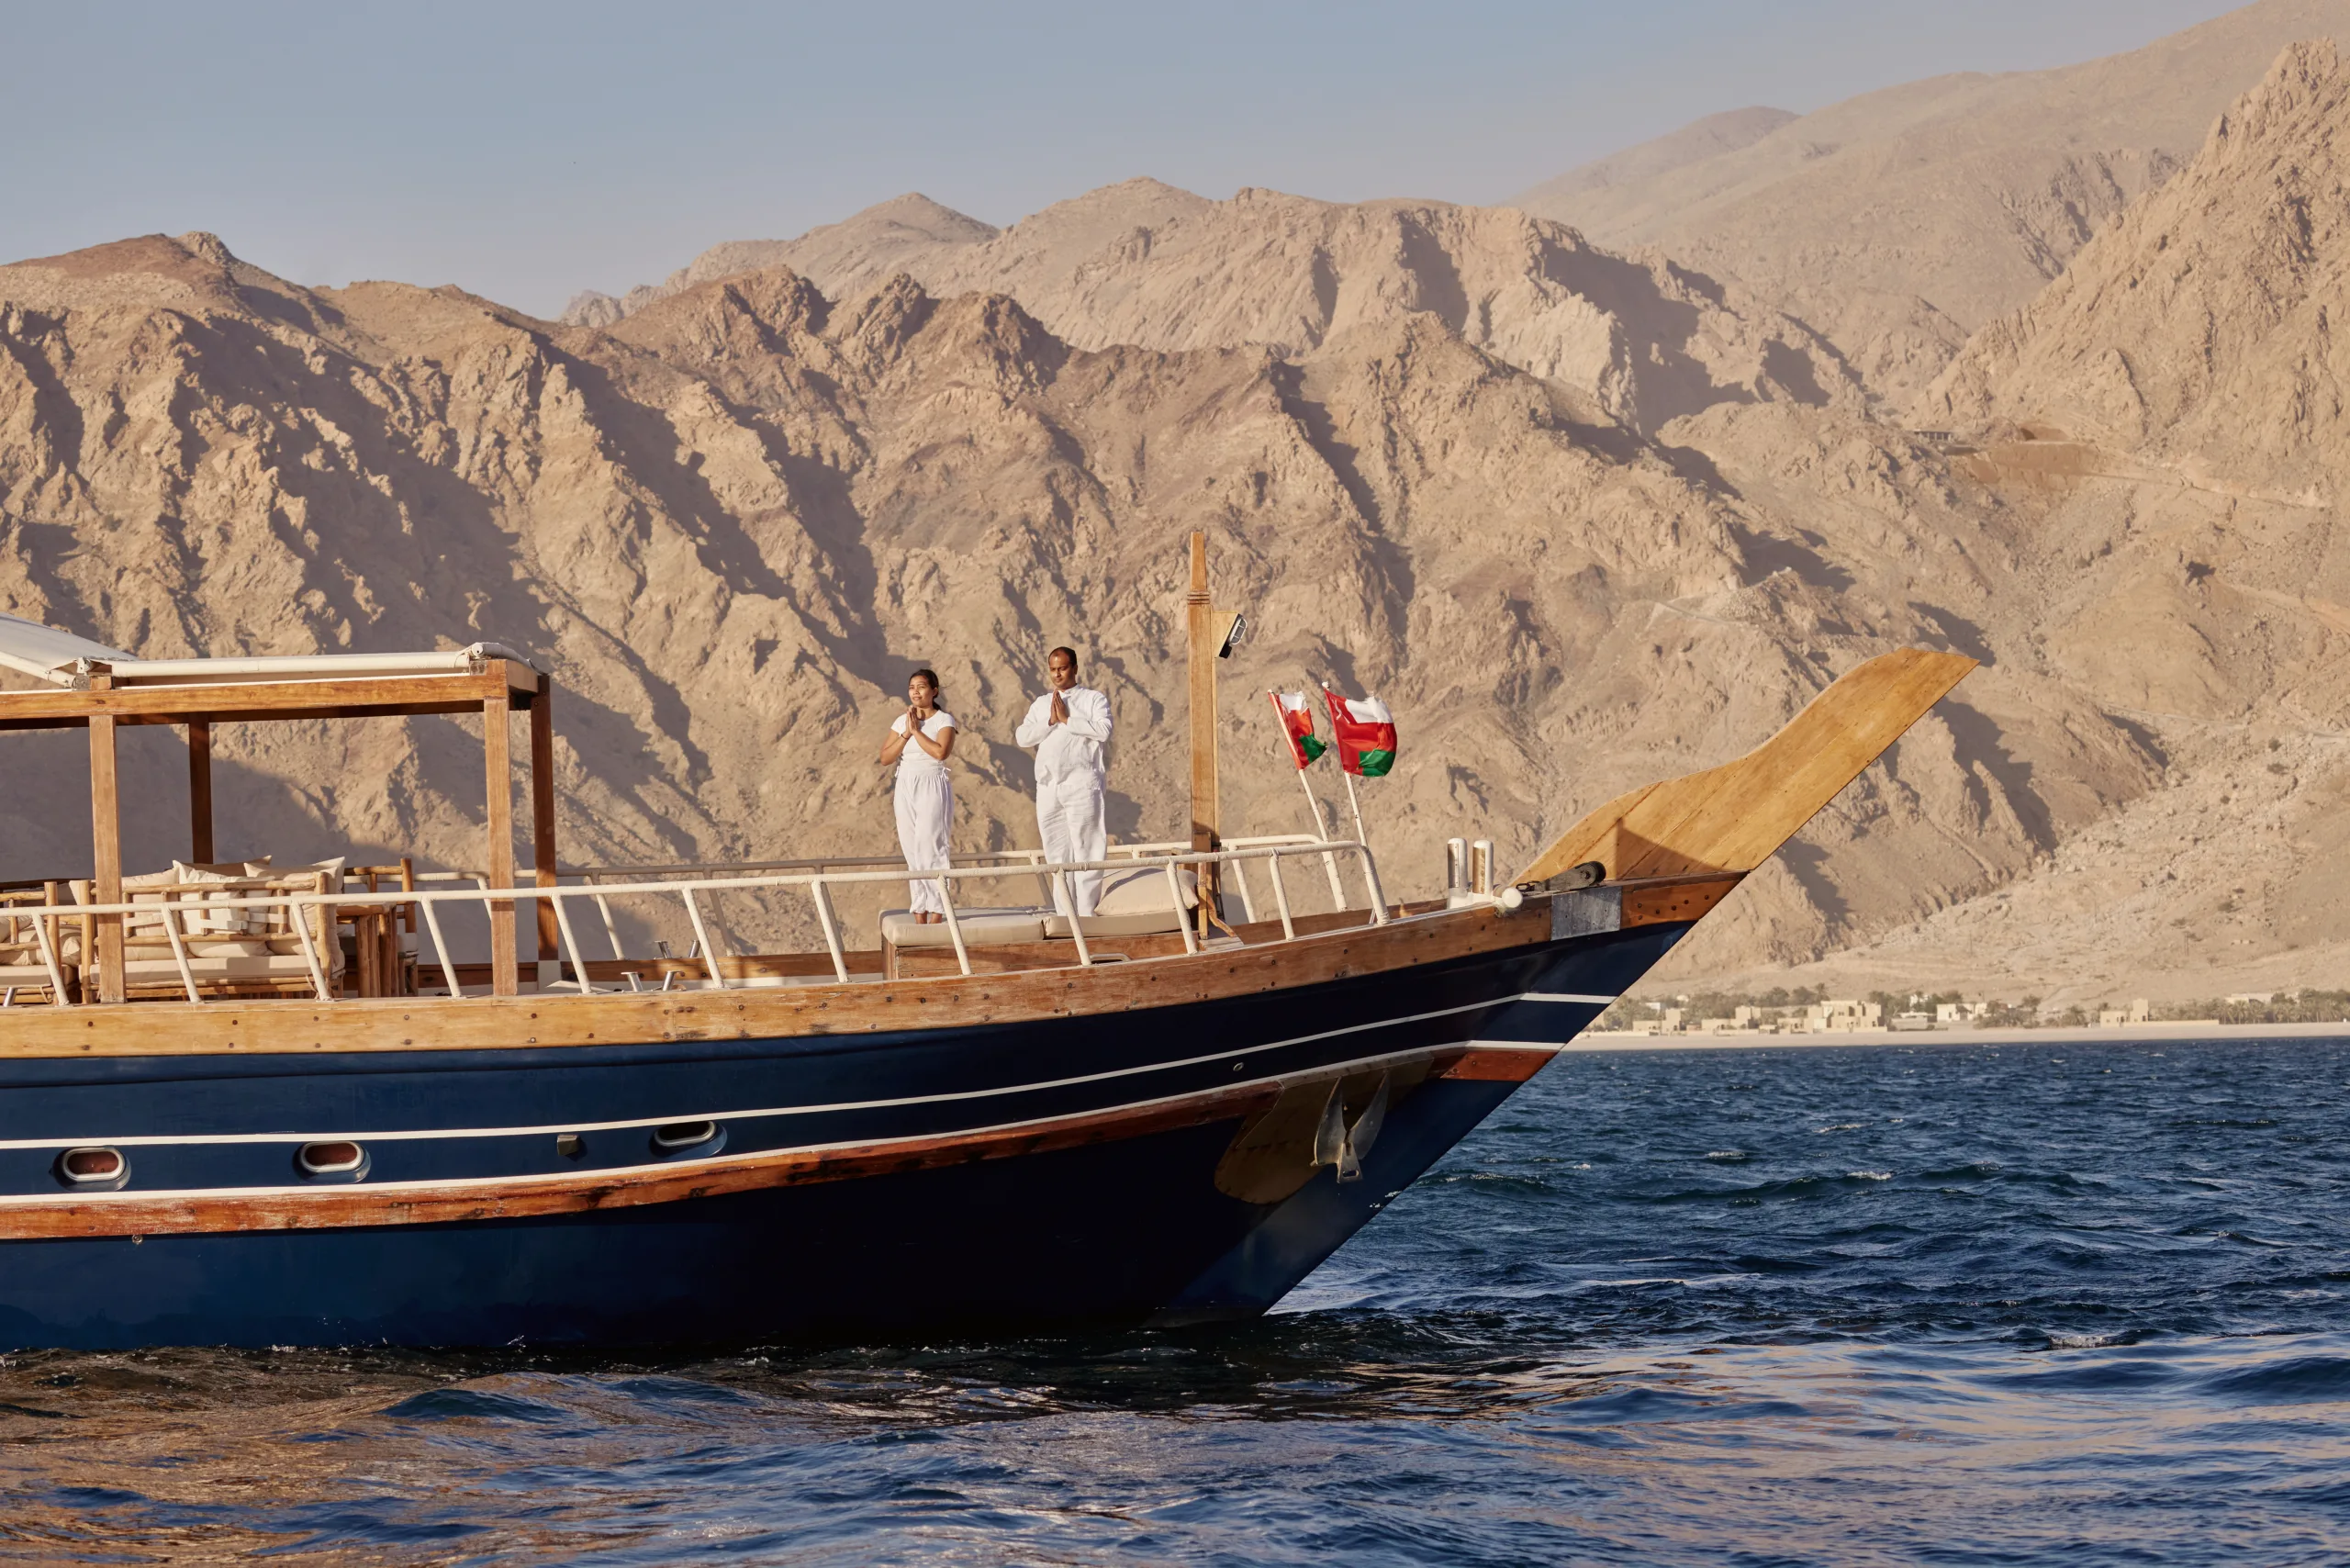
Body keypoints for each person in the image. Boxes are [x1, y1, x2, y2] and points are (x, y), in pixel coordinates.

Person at [1014, 646, 1113, 916]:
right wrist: (1050, 720)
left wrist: (1067, 720)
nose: (1057, 674)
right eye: (1053, 669)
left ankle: (1086, 914)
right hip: (1048, 786)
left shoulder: (1093, 699)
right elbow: (1023, 737)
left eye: (1063, 668)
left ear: (1075, 668)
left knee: (1087, 847)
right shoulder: (1041, 703)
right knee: (1056, 852)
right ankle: (1065, 915)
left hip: (1082, 783)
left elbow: (1104, 731)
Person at [877, 668, 957, 923]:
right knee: (911, 849)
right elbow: (885, 757)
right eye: (912, 687)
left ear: (934, 691)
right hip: (905, 782)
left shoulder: (944, 720)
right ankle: (919, 910)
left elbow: (940, 752)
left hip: (932, 781)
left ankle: (938, 910)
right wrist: (906, 733)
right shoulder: (902, 722)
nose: (915, 691)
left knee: (931, 846)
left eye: (921, 687)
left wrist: (918, 732)